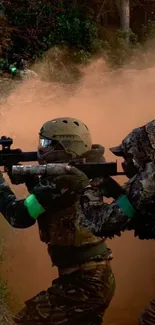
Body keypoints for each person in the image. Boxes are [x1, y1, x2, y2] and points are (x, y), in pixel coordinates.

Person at [0, 117, 115, 325]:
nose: (41, 149)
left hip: (84, 284)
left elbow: (18, 216)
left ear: (66, 146)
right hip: (91, 280)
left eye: (46, 144)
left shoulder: (64, 181)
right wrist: (23, 175)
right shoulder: (81, 175)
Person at [78, 119, 155, 325]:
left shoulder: (150, 179)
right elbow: (143, 221)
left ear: (143, 153)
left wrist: (88, 188)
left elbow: (102, 224)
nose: (125, 163)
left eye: (128, 157)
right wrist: (113, 190)